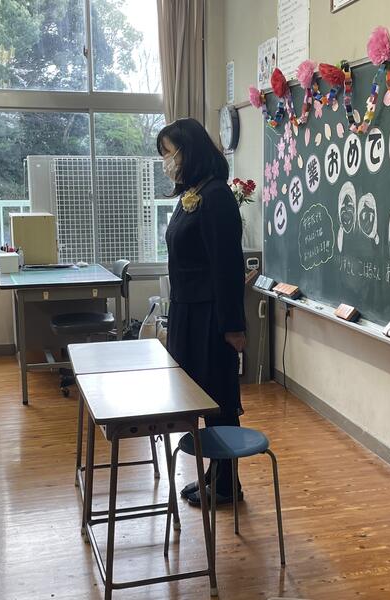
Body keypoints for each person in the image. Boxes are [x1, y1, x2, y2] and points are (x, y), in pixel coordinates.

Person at [157, 118, 246, 506]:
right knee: (201, 398)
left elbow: (228, 268)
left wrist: (233, 326)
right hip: (188, 314)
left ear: (188, 152)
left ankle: (227, 485)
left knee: (219, 401)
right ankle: (215, 474)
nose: (166, 162)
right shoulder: (191, 195)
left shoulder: (217, 196)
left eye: (169, 153)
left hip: (211, 318)